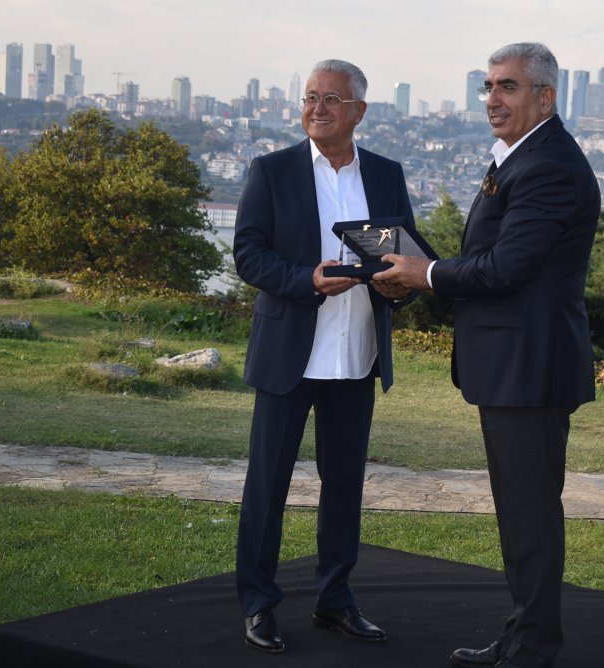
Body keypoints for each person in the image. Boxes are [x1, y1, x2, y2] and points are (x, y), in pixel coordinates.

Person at [374, 42, 600, 668]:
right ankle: (521, 638)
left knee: (530, 518)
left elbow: (506, 268)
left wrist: (425, 274)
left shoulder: (549, 165)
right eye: (488, 86)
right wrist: (422, 270)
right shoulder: (523, 156)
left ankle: (533, 648)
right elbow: (492, 260)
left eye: (508, 86)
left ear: (545, 97)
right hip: (513, 367)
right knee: (520, 516)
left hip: (529, 369)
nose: (493, 99)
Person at [232, 58, 414, 654]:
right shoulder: (272, 170)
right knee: (267, 487)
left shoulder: (386, 174)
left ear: (359, 111)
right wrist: (305, 279)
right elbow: (248, 254)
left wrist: (401, 288)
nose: (318, 107)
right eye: (311, 96)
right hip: (289, 354)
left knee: (344, 487)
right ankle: (258, 605)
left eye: (332, 98)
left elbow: (405, 259)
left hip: (356, 355)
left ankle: (335, 600)